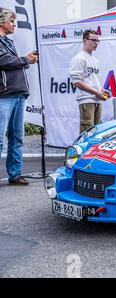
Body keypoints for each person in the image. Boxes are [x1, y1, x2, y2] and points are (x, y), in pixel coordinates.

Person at [0, 8, 39, 186]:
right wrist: (25, 60)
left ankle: (15, 174)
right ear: (2, 22)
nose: (14, 24)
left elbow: (11, 62)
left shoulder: (9, 42)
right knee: (0, 138)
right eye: (11, 21)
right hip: (4, 96)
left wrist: (26, 61)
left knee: (17, 137)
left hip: (17, 95)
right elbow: (3, 61)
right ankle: (14, 173)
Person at [70, 29, 110, 134]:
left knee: (96, 132)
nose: (96, 43)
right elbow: (77, 82)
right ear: (85, 41)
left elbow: (93, 81)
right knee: (87, 132)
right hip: (86, 100)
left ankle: (92, 151)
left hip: (97, 100)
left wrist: (102, 91)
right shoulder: (78, 58)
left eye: (97, 41)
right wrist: (97, 93)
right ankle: (82, 151)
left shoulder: (96, 60)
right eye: (93, 40)